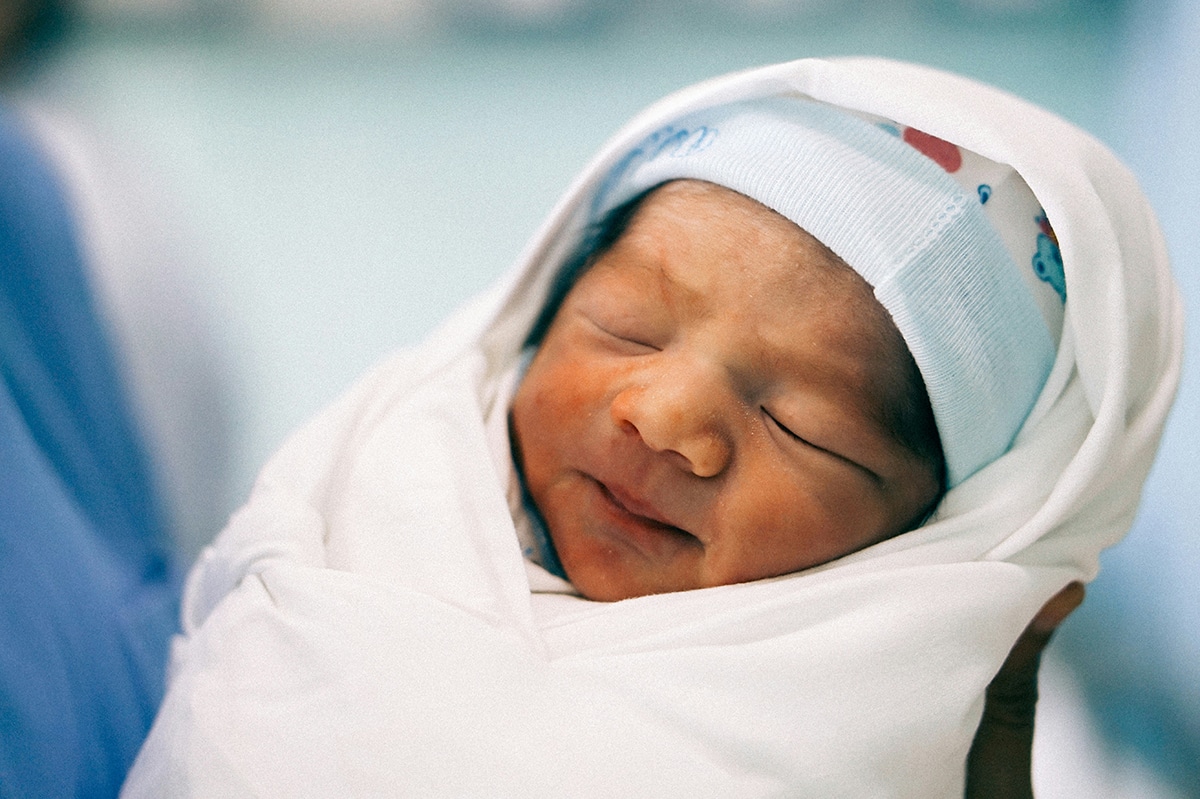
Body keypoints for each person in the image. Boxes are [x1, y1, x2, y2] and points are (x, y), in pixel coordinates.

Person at [124, 57, 1181, 797]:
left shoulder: (871, 722)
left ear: (934, 534)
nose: (668, 417)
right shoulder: (374, 488)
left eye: (801, 426)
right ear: (534, 312)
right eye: (627, 330)